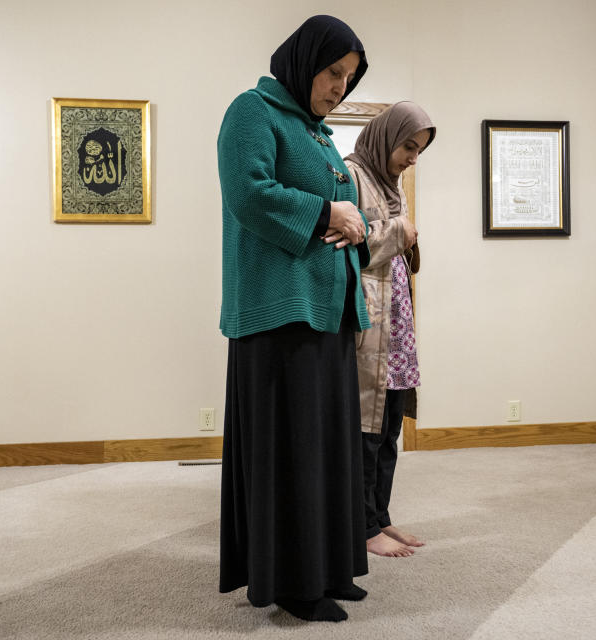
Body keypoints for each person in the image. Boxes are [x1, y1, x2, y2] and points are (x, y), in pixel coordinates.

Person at [217, 15, 373, 623]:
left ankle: (331, 567)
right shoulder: (251, 111)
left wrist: (350, 219)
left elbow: (345, 215)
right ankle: (294, 583)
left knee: (328, 449)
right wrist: (330, 212)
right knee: (292, 453)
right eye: (333, 71)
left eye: (349, 78)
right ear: (303, 59)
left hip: (327, 313)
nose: (339, 87)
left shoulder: (319, 134)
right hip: (279, 315)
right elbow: (248, 194)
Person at [344, 102, 436, 558]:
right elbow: (347, 247)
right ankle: (362, 528)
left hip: (396, 332)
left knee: (390, 430)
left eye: (417, 150)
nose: (412, 158)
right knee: (367, 431)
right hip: (371, 329)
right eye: (407, 146)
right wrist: (400, 231)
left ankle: (381, 516)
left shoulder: (389, 184)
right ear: (385, 138)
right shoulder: (350, 176)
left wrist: (402, 235)